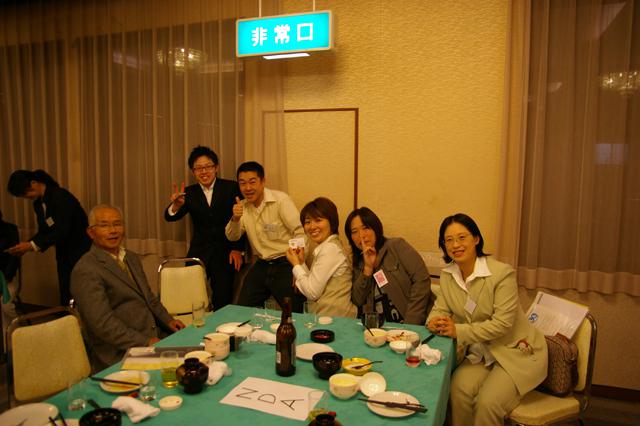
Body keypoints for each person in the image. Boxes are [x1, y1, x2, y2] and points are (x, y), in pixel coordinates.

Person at [427, 213, 547, 426]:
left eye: (462, 237)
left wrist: (458, 331)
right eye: (449, 240)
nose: (455, 245)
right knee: (456, 390)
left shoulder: (501, 274)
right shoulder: (448, 276)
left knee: (487, 403)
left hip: (514, 351)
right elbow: (440, 309)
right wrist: (434, 321)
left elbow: (502, 324)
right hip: (481, 353)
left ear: (476, 239)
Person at [71, 204, 185, 371]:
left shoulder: (130, 257)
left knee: (201, 354)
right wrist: (145, 342)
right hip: (119, 351)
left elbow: (149, 297)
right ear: (91, 232)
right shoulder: (86, 269)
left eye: (117, 224)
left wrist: (168, 320)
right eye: (104, 225)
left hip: (154, 334)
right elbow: (102, 324)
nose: (113, 230)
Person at [164, 146, 244, 310]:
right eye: (198, 168)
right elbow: (170, 217)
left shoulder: (231, 187)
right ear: (193, 172)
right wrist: (176, 206)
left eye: (208, 166)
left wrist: (237, 249)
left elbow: (243, 219)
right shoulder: (188, 193)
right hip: (199, 251)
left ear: (216, 167)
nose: (204, 171)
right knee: (191, 299)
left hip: (225, 252)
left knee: (223, 301)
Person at [225, 161, 306, 312]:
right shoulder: (242, 207)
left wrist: (298, 267)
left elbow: (299, 231)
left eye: (252, 182)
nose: (247, 188)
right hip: (262, 263)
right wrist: (235, 219)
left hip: (286, 262)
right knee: (241, 309)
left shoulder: (280, 200)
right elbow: (232, 237)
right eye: (242, 183)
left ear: (262, 181)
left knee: (293, 311)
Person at [6, 169, 91, 306]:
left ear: (34, 183)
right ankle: (68, 317)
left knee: (82, 291)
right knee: (66, 292)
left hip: (80, 252)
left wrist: (31, 245)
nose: (26, 197)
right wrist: (26, 246)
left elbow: (62, 231)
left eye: (25, 193)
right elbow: (45, 231)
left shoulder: (60, 196)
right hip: (63, 254)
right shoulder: (38, 204)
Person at [346, 207, 431, 325]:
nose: (361, 235)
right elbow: (357, 300)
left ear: (375, 228)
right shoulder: (357, 263)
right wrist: (368, 268)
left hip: (409, 325)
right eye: (354, 232)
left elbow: (422, 281)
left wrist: (411, 324)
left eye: (365, 228)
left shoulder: (396, 246)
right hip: (377, 330)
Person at [285, 197, 357, 318]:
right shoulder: (328, 247)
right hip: (328, 318)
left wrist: (295, 265)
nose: (312, 227)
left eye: (318, 220)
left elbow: (312, 293)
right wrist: (301, 263)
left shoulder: (330, 249)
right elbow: (312, 284)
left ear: (331, 222)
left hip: (335, 321)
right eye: (307, 222)